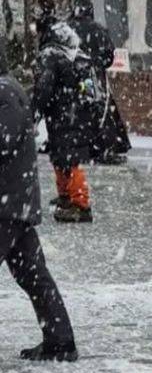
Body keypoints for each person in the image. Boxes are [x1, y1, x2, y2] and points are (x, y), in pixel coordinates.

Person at [0, 50, 78, 361]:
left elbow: (3, 140)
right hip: (14, 204)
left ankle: (61, 341)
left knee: (34, 275)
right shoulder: (8, 89)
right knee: (32, 274)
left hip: (6, 206)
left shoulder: (4, 92)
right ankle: (60, 341)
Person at [33, 21, 99, 223]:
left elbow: (44, 88)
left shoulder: (51, 55)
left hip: (61, 114)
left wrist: (35, 112)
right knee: (64, 155)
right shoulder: (76, 55)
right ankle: (68, 196)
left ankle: (80, 203)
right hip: (76, 113)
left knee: (66, 158)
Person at [69, 3, 131, 165]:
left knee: (74, 108)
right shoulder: (98, 30)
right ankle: (103, 145)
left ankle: (77, 144)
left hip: (72, 76)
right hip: (94, 75)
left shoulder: (67, 29)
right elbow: (109, 55)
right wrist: (98, 64)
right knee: (102, 110)